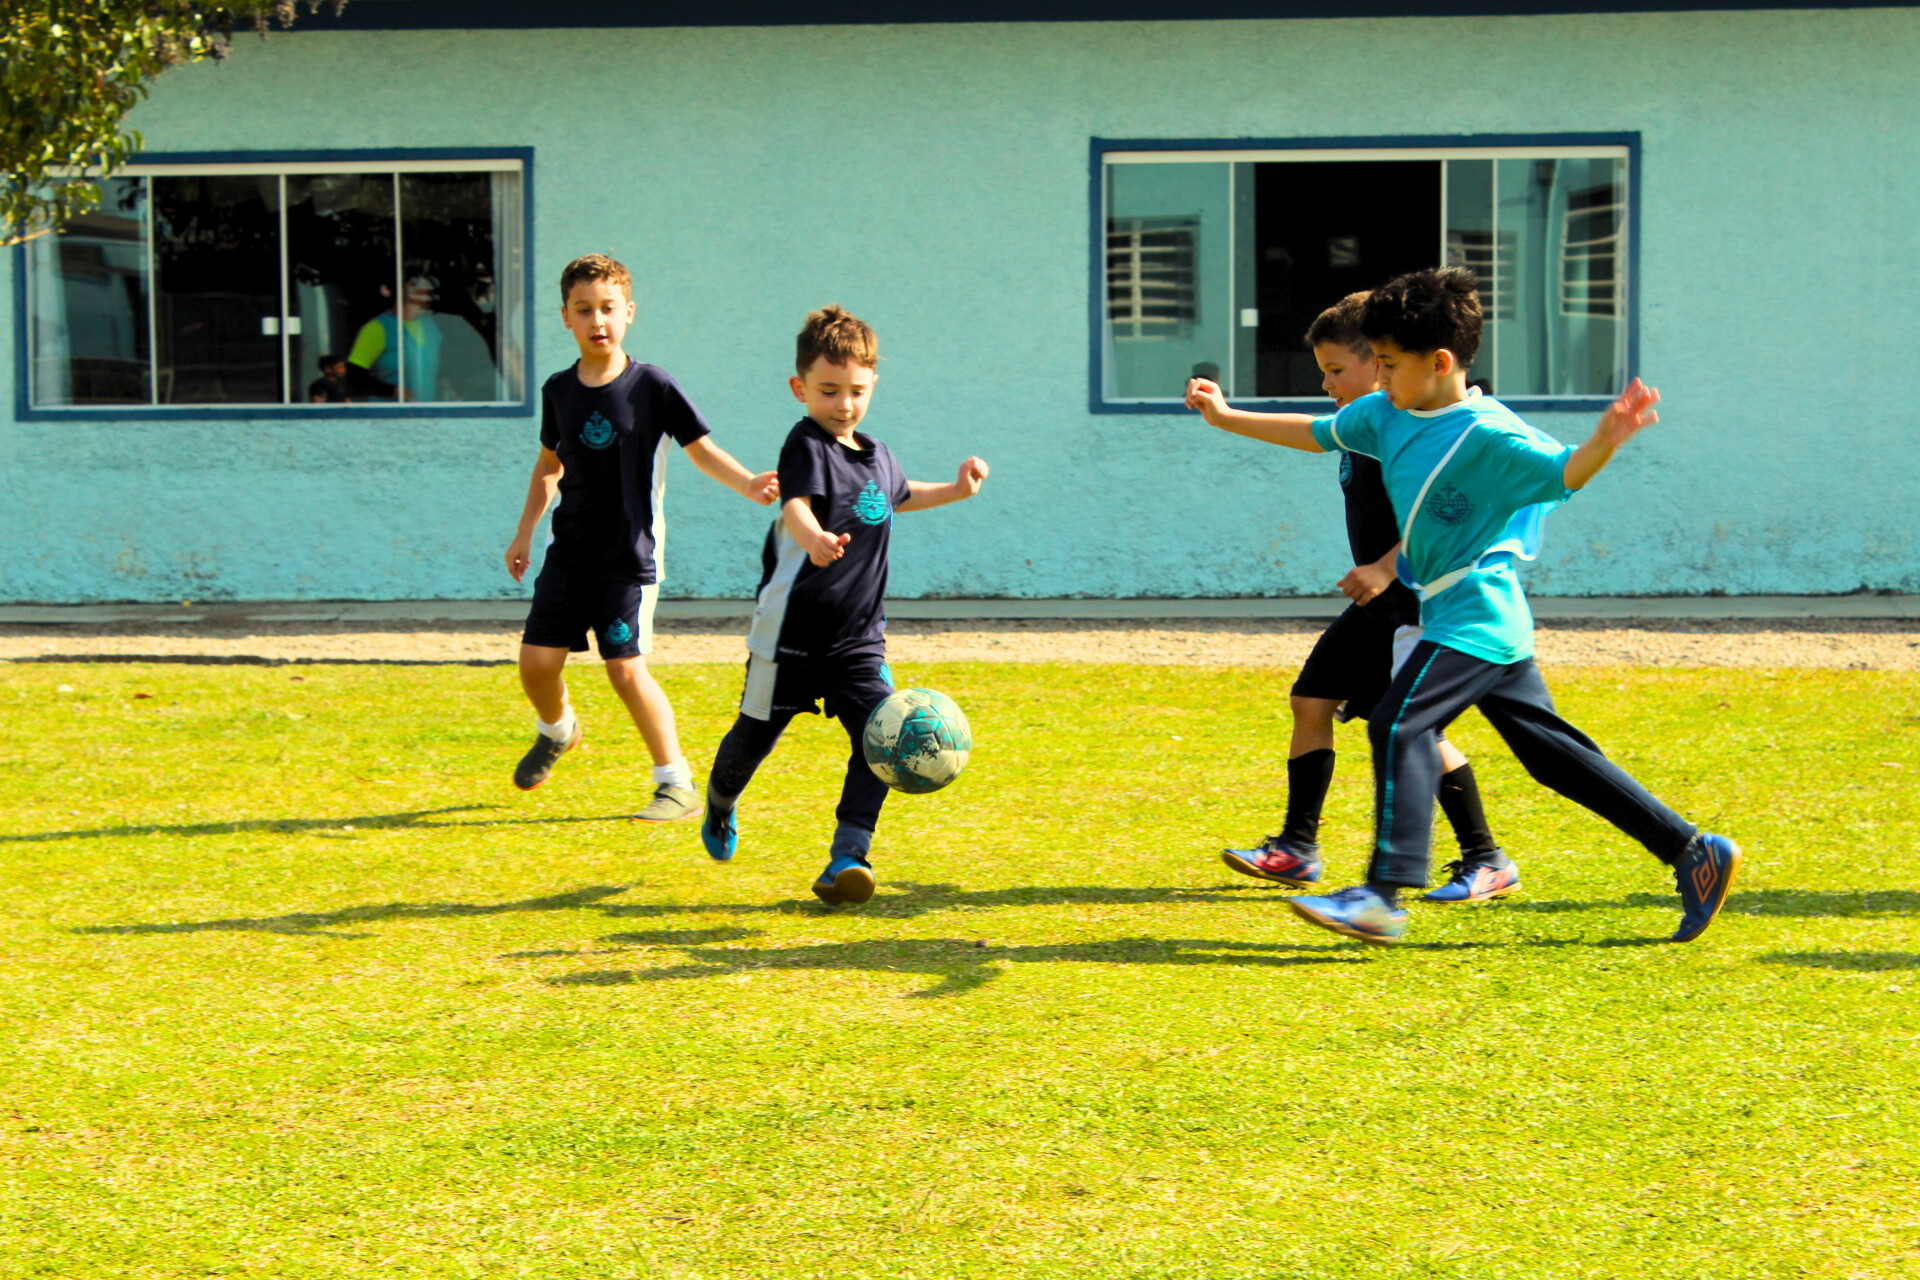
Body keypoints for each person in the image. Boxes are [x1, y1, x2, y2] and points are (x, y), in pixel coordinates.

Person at [1186, 267, 1739, 945]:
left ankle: (1381, 898)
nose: (1378, 376)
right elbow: (1320, 431)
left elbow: (1563, 473)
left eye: (1388, 363)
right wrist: (1225, 418)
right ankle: (1692, 850)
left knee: (1395, 724)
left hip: (1477, 612)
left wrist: (1606, 440)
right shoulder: (1387, 412)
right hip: (1458, 614)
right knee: (1551, 756)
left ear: (1441, 363)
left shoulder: (1489, 434)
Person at [1214, 293, 1514, 904]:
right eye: (1321, 371)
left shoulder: (1402, 424)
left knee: (1411, 730)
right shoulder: (1364, 423)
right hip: (1377, 604)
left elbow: (1441, 511)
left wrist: (1383, 565)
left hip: (1413, 600)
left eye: (1336, 369)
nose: (1326, 383)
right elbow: (1308, 434)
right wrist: (1223, 416)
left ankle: (1486, 859)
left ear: (1380, 365)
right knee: (1312, 700)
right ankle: (1298, 849)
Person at [699, 306, 989, 905]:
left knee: (880, 739)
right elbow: (796, 505)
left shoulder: (878, 454)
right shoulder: (805, 442)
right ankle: (721, 802)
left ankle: (847, 855)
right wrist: (813, 538)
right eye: (828, 391)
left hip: (858, 641)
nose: (843, 405)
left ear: (873, 385)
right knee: (752, 740)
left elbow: (900, 498)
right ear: (799, 388)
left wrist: (958, 490)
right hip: (789, 639)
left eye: (856, 392)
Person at [503, 253, 778, 820]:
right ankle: (558, 730)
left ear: (628, 312)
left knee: (624, 668)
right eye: (584, 310)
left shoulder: (652, 386)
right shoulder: (558, 391)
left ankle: (673, 782)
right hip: (569, 556)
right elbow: (549, 466)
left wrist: (748, 482)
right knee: (535, 664)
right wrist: (525, 533)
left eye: (608, 308)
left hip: (629, 559)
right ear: (566, 319)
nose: (597, 320)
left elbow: (699, 449)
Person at [347, 276, 442, 401]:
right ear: (401, 290)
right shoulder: (377, 328)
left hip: (427, 412)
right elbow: (355, 378)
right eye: (414, 283)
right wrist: (393, 390)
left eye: (428, 288)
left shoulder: (431, 327)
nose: (423, 288)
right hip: (389, 414)